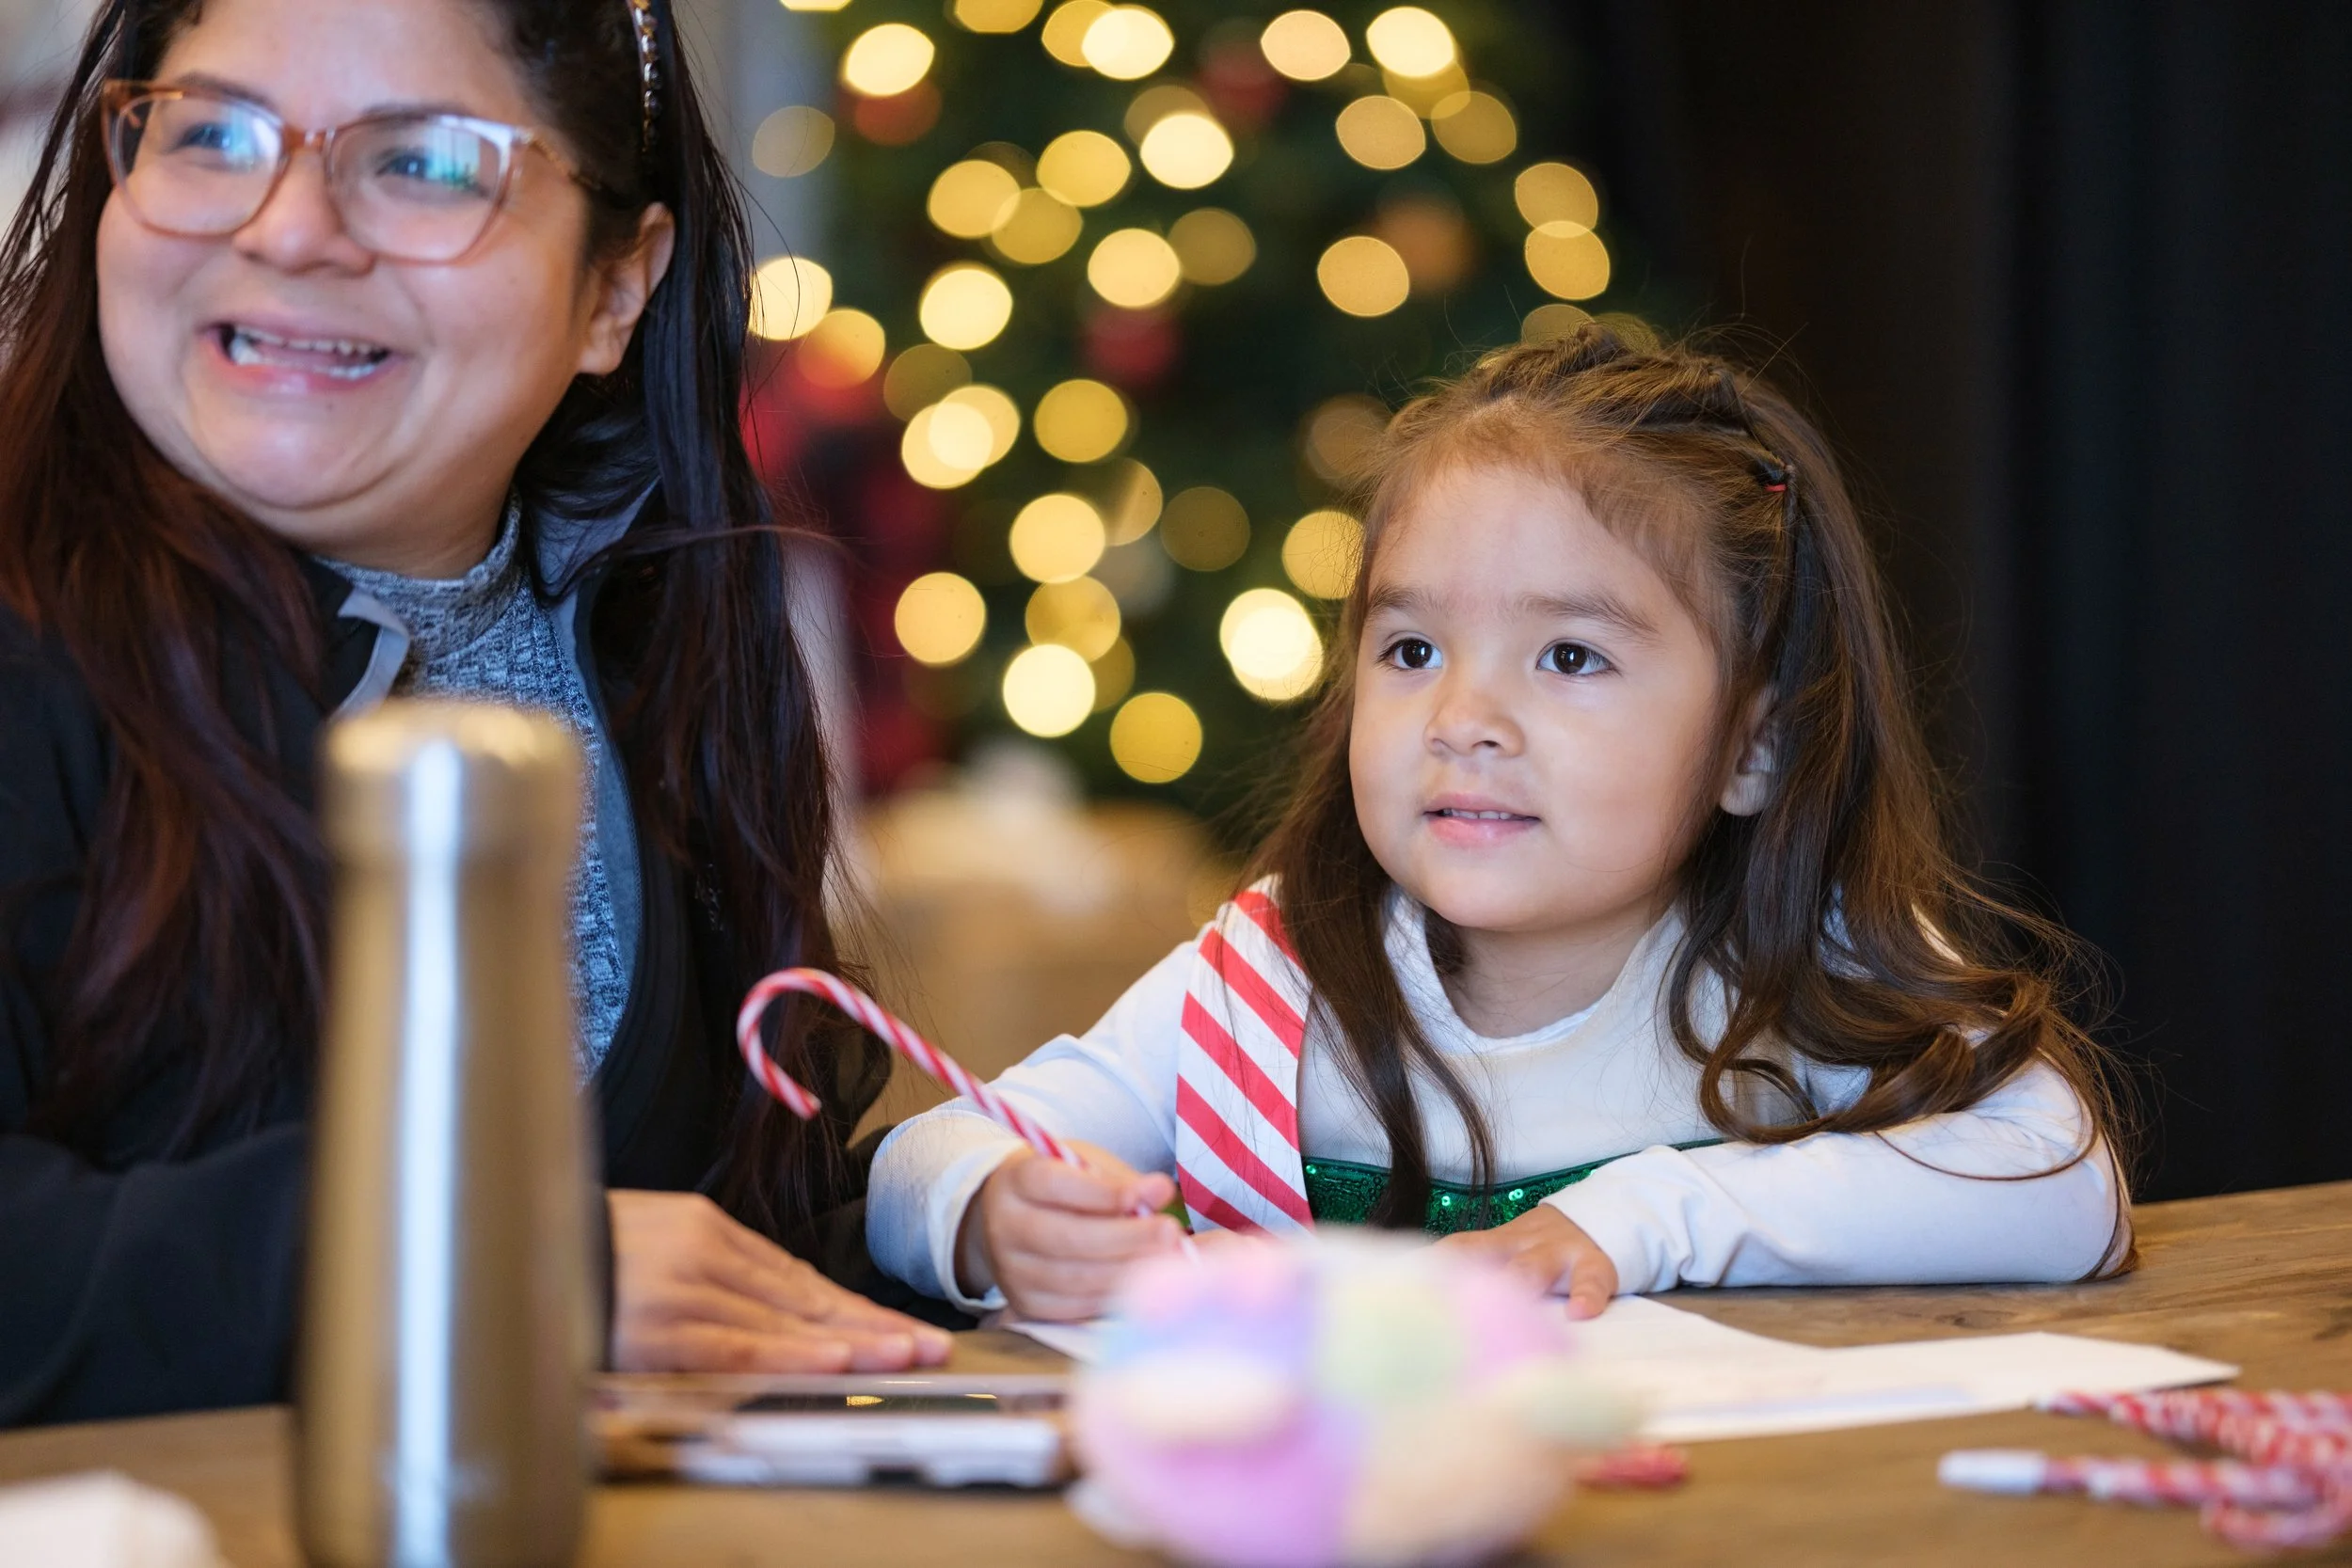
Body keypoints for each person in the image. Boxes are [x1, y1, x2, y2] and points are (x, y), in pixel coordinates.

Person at [0, 0, 953, 1428]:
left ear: (614, 292)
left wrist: (960, 1221)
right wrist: (482, 1257)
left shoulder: (661, 661)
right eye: (211, 135)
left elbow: (714, 1246)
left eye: (426, 163)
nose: (290, 227)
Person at [868, 325, 2133, 1323]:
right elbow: (921, 1152)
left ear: (1753, 744)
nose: (1463, 715)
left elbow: (2064, 1183)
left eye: (1571, 656)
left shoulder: (1798, 961)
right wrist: (994, 1207)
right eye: (1412, 646)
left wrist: (1646, 1214)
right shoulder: (1265, 988)